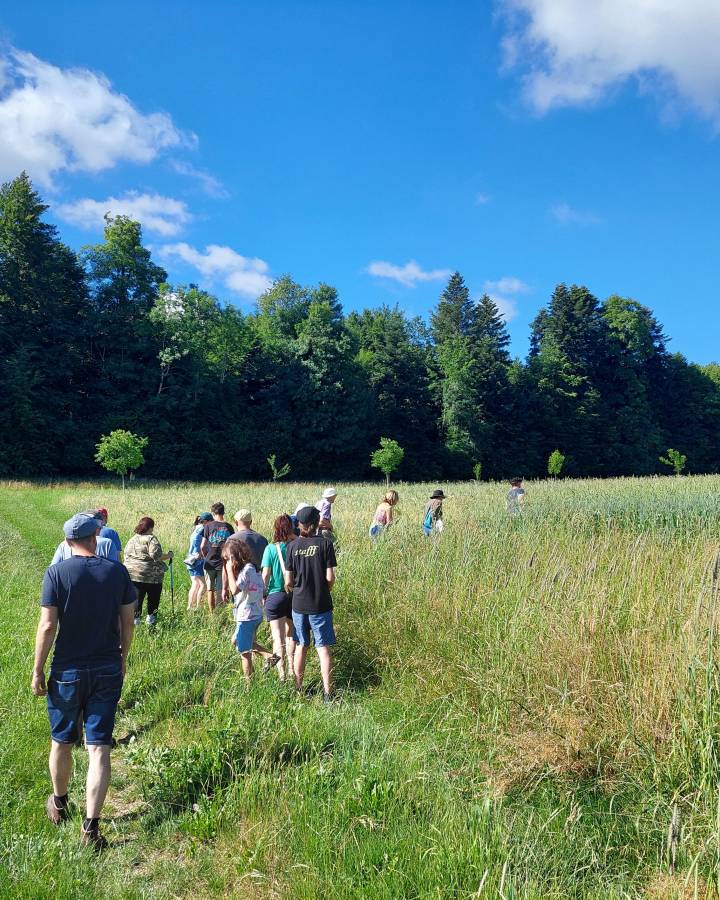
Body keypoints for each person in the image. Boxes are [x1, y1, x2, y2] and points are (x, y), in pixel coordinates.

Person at [31, 512, 136, 850]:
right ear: (95, 538)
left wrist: (37, 670)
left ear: (67, 542)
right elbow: (128, 623)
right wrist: (122, 659)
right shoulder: (116, 572)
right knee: (99, 748)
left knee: (61, 741)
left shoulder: (57, 573)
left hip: (67, 671)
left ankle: (59, 802)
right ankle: (91, 829)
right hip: (106, 668)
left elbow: (48, 627)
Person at [284, 505, 338, 702]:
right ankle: (327, 694)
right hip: (320, 604)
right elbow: (330, 577)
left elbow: (288, 581)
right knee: (323, 648)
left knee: (301, 646)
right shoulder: (325, 545)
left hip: (298, 604)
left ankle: (298, 689)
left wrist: (297, 591)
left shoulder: (291, 547)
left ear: (299, 524)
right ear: (316, 524)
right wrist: (324, 590)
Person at [223, 540, 278, 684]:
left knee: (244, 652)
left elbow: (235, 590)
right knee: (236, 641)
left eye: (228, 559)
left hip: (246, 616)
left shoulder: (246, 570)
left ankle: (249, 685)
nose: (227, 562)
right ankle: (268, 656)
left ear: (234, 557)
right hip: (255, 613)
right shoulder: (253, 568)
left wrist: (229, 571)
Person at [260, 514, 297, 683]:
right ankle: (292, 670)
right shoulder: (296, 546)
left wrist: (262, 594)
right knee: (291, 635)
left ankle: (281, 674)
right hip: (294, 595)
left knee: (278, 637)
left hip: (275, 596)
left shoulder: (270, 549)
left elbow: (265, 574)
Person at [123, 517, 173, 625]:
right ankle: (151, 619)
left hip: (132, 575)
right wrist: (169, 555)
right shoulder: (151, 539)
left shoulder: (132, 539)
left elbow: (126, 554)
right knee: (153, 597)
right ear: (151, 527)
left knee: (137, 598)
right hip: (151, 575)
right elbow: (156, 555)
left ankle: (136, 620)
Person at [200, 503, 234, 611]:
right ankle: (220, 613)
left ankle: (212, 614)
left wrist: (206, 556)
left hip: (209, 561)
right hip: (223, 563)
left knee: (210, 590)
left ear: (213, 513)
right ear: (223, 512)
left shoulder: (208, 526)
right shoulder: (229, 527)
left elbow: (202, 546)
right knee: (221, 589)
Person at [50, 512, 115, 565]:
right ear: (93, 537)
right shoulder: (107, 543)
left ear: (67, 541)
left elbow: (53, 566)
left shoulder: (63, 545)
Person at [185, 513, 212, 610]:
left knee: (195, 584)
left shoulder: (196, 528)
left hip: (191, 560)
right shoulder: (203, 529)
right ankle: (198, 607)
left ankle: (190, 606)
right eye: (211, 521)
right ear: (206, 521)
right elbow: (204, 546)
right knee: (203, 585)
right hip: (198, 560)